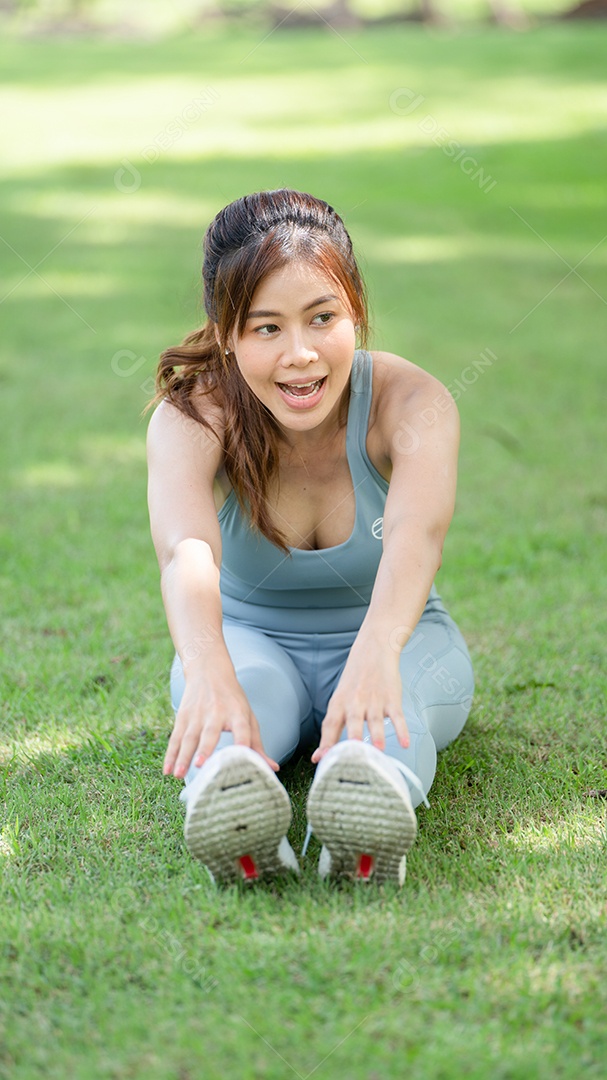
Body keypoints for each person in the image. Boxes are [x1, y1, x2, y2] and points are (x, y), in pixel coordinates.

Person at [146, 188, 474, 887]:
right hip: (248, 635)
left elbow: (416, 536)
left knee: (387, 717)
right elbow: (186, 551)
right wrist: (207, 669)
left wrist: (379, 650)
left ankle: (366, 808)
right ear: (225, 330)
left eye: (321, 318)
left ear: (354, 309)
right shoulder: (192, 417)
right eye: (266, 328)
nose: (300, 356)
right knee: (245, 697)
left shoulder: (412, 405)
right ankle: (229, 804)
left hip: (400, 632)